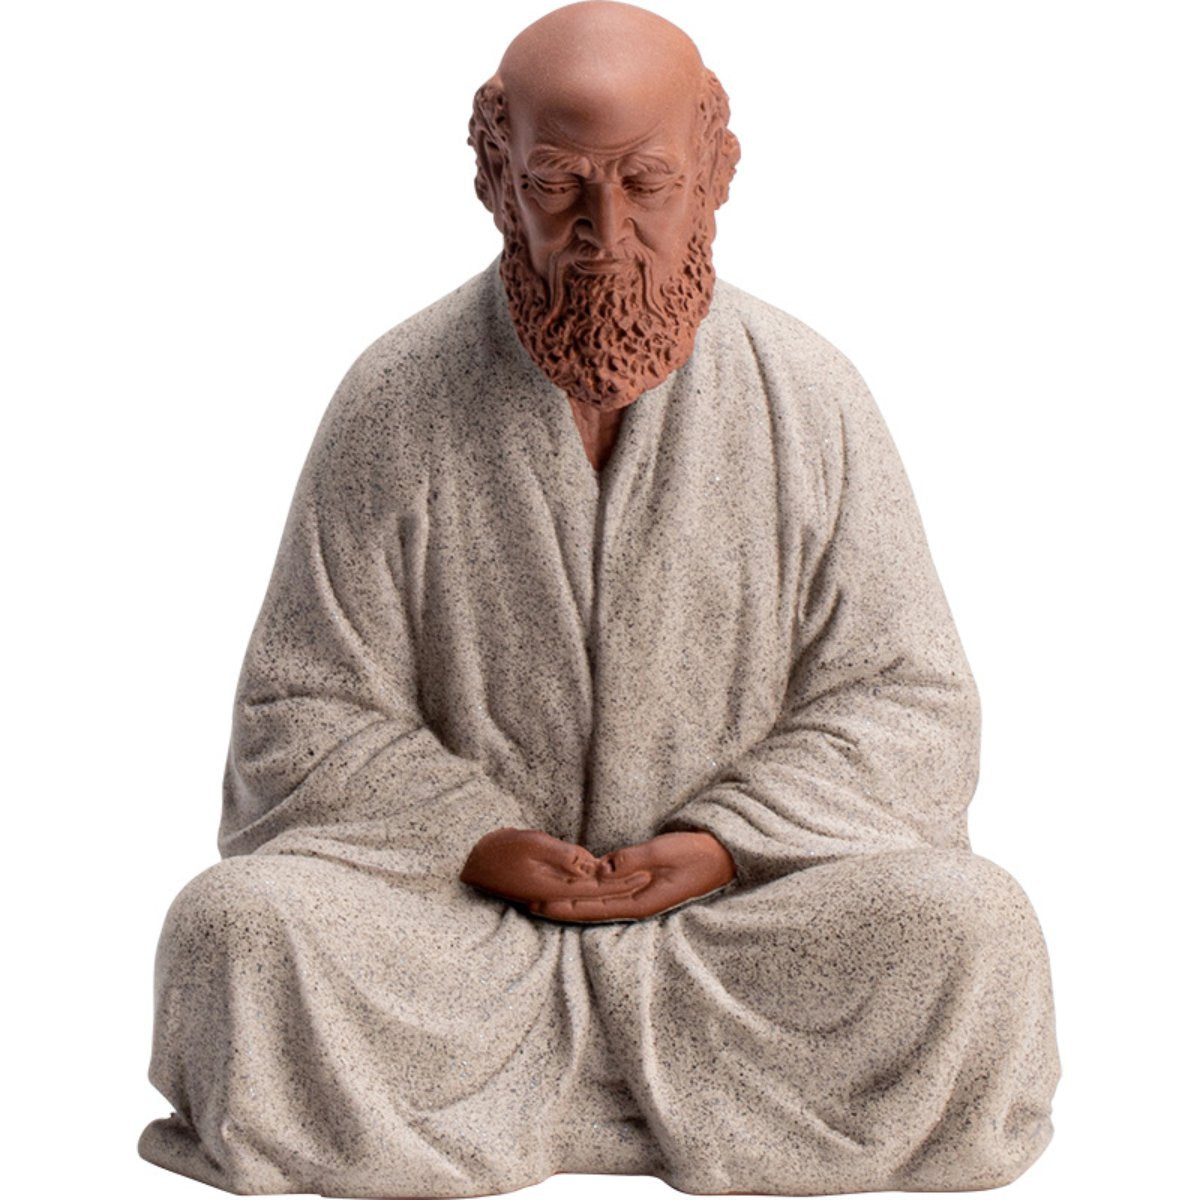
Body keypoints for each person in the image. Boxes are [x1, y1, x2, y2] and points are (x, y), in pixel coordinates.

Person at [139, 3, 1060, 1196]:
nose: (605, 234)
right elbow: (301, 713)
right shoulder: (397, 398)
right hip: (464, 949)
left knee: (975, 931)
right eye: (559, 185)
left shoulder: (809, 397)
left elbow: (908, 703)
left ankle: (544, 1103)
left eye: (647, 183)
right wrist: (475, 840)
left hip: (729, 948)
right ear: (495, 179)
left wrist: (725, 843)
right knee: (233, 933)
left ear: (716, 174)